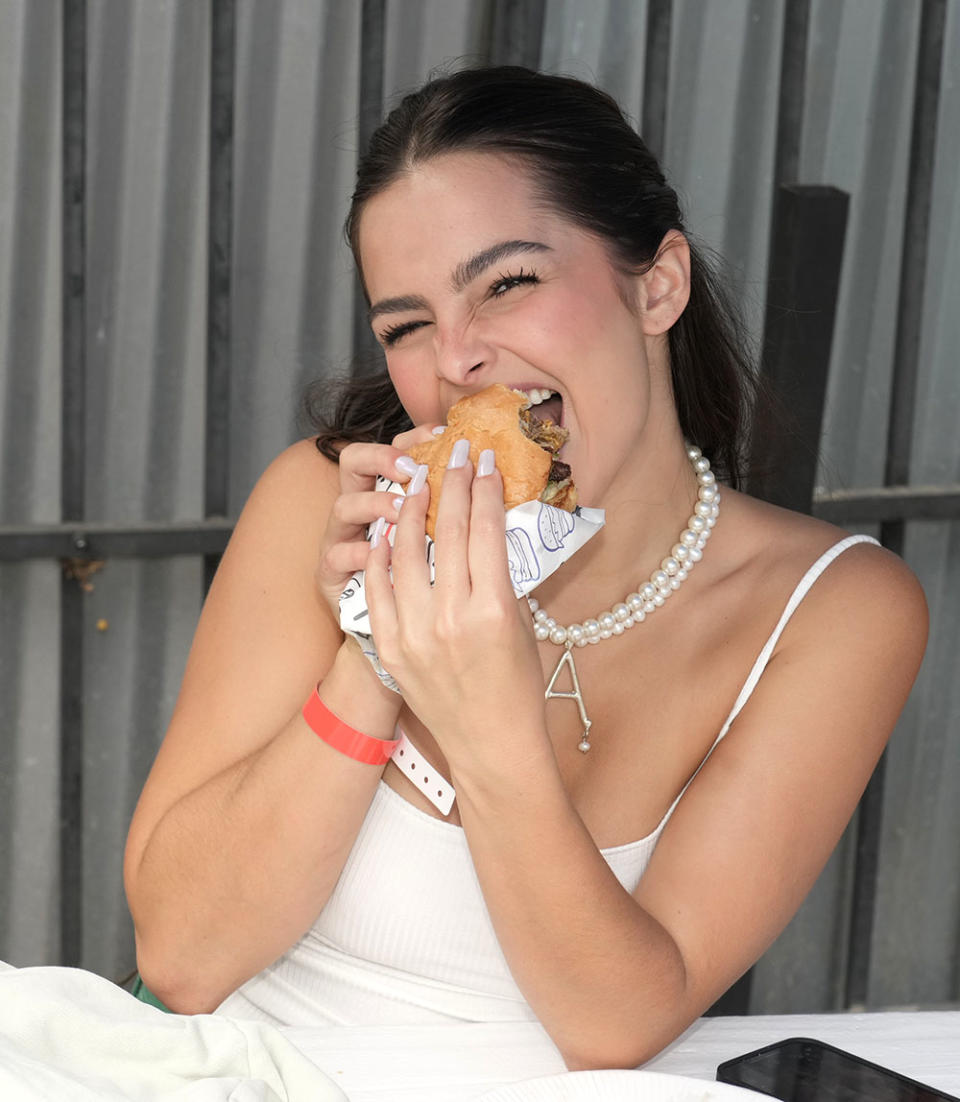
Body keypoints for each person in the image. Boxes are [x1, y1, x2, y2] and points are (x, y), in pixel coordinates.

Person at [123, 66, 927, 1070]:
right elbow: (183, 958)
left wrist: (487, 717)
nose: (456, 358)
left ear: (658, 283)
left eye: (507, 282)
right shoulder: (321, 502)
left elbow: (617, 1023)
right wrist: (377, 646)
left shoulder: (838, 610)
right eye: (407, 325)